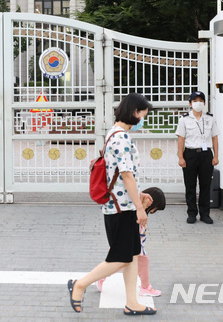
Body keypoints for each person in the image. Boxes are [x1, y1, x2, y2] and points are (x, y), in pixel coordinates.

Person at [68, 93, 157, 316]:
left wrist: (138, 196)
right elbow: (126, 175)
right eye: (143, 115)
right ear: (135, 112)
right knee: (119, 258)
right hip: (122, 208)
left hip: (120, 204)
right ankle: (79, 284)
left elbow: (121, 174)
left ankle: (132, 302)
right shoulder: (121, 138)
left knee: (132, 255)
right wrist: (139, 206)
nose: (142, 120)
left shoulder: (114, 134)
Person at [95, 187, 166, 297]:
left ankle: (100, 277)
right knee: (137, 262)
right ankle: (145, 287)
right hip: (131, 242)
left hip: (129, 242)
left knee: (119, 264)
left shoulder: (136, 206)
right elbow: (136, 225)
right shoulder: (138, 209)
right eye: (154, 208)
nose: (153, 211)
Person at [175, 91, 219, 224]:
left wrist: (216, 156)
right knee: (190, 185)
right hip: (190, 154)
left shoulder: (210, 119)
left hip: (206, 155)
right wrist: (181, 157)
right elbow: (181, 139)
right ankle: (192, 213)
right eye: (195, 101)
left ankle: (205, 214)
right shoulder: (184, 119)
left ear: (204, 103)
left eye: (200, 100)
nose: (198, 103)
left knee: (206, 185)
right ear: (190, 103)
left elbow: (215, 138)